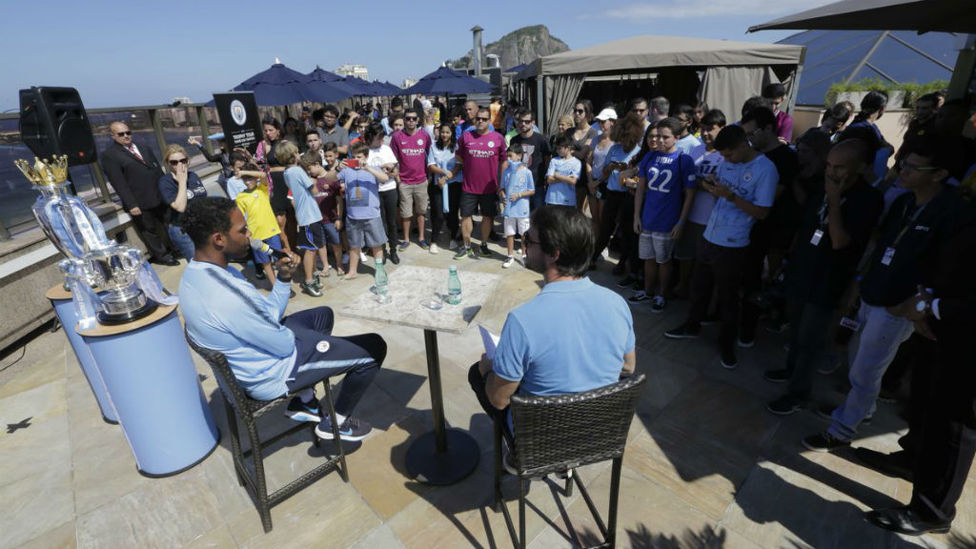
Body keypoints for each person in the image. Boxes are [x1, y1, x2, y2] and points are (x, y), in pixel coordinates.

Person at [803, 144, 971, 452]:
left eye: (912, 168)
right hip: (873, 291)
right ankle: (861, 410)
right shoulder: (904, 201)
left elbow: (949, 270)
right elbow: (881, 246)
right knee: (857, 361)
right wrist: (858, 284)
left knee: (867, 369)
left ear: (940, 175)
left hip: (899, 305)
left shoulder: (952, 214)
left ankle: (842, 430)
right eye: (903, 164)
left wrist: (919, 306)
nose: (902, 171)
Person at [179, 197, 384, 441]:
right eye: (242, 230)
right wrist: (307, 340)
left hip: (256, 358)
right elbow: (285, 344)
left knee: (322, 315)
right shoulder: (226, 295)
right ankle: (335, 423)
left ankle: (306, 401)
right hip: (273, 373)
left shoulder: (196, 275)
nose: (249, 235)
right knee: (372, 347)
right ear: (219, 239)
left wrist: (284, 278)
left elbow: (267, 314)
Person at [468, 206, 636, 446]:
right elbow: (628, 367)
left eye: (528, 239)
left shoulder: (523, 320)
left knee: (478, 373)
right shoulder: (617, 304)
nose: (523, 245)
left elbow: (498, 399)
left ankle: (518, 456)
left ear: (554, 253)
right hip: (598, 433)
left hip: (543, 440)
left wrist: (488, 371)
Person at [863, 206, 976, 536]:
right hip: (941, 323)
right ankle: (913, 459)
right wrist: (927, 300)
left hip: (967, 336)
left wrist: (933, 306)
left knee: (955, 426)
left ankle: (932, 512)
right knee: (927, 400)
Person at [764, 139, 883, 414]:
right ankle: (791, 371)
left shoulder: (868, 200)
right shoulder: (821, 188)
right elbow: (806, 229)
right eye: (829, 165)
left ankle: (799, 393)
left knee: (810, 340)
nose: (833, 172)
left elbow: (840, 241)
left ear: (862, 167)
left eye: (841, 167)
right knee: (794, 330)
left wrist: (833, 200)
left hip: (828, 280)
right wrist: (788, 261)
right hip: (800, 271)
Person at [664, 125, 778, 370]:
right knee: (699, 287)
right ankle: (692, 326)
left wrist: (731, 197)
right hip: (710, 234)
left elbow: (763, 212)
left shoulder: (765, 170)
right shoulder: (727, 163)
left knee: (728, 299)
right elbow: (721, 196)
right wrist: (714, 189)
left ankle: (726, 344)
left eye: (728, 155)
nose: (725, 160)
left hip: (734, 243)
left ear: (742, 145)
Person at [739, 106, 800, 343]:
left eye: (752, 134)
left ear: (768, 128)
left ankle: (748, 331)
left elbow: (767, 199)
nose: (750, 140)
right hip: (746, 228)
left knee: (756, 283)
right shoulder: (754, 155)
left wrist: (737, 198)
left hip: (770, 233)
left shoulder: (785, 158)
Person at [630, 118, 697, 312]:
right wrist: (636, 216)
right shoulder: (650, 157)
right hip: (647, 218)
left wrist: (681, 222)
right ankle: (648, 291)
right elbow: (641, 189)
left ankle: (662, 294)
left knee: (664, 260)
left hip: (667, 221)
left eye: (665, 137)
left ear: (677, 137)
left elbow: (690, 194)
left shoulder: (684, 160)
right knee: (648, 258)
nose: (659, 140)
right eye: (657, 136)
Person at [100, 121, 178, 266]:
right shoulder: (110, 155)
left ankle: (175, 248)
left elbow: (157, 170)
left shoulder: (143, 147)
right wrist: (131, 204)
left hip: (159, 195)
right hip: (139, 201)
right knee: (149, 231)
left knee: (169, 223)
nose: (126, 136)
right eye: (121, 134)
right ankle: (163, 256)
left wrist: (167, 189)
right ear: (113, 136)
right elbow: (118, 183)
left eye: (128, 133)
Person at [674, 109, 726, 298]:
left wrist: (699, 182)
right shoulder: (695, 149)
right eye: (702, 129)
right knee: (686, 255)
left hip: (713, 217)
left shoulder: (726, 154)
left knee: (706, 261)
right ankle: (683, 287)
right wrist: (703, 183)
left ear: (722, 128)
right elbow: (685, 179)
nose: (705, 133)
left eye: (710, 129)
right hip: (691, 213)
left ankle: (702, 295)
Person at [323, 142, 390, 279]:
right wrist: (337, 168)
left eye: (359, 156)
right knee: (354, 245)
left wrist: (368, 169)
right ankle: (352, 271)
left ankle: (379, 270)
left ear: (366, 157)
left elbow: (385, 178)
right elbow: (327, 178)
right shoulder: (346, 170)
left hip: (372, 215)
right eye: (353, 157)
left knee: (377, 245)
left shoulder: (374, 168)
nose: (356, 159)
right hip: (353, 216)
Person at [591, 113, 645, 280]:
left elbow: (639, 178)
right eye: (620, 139)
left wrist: (627, 170)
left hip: (629, 196)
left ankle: (622, 262)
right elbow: (604, 173)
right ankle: (593, 257)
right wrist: (613, 167)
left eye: (625, 139)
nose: (622, 143)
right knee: (605, 227)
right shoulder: (614, 148)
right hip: (612, 193)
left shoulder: (639, 152)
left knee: (627, 232)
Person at [455, 106, 507, 259]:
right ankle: (467, 246)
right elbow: (459, 156)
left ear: (489, 121)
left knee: (488, 217)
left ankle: (483, 244)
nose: (481, 121)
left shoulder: (498, 138)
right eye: (478, 118)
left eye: (484, 119)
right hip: (468, 186)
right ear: (474, 119)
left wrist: (501, 183)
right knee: (465, 216)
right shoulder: (466, 137)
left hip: (490, 188)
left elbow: (504, 161)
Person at [277, 141, 328, 297]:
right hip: (309, 216)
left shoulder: (287, 172)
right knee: (311, 251)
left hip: (307, 215)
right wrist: (315, 178)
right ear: (293, 154)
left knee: (312, 248)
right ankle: (308, 280)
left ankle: (313, 275)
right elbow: (314, 189)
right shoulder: (298, 171)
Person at [391, 108, 433, 251]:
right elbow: (393, 159)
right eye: (408, 118)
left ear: (418, 120)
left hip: (421, 180)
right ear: (404, 119)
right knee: (406, 213)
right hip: (404, 181)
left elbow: (430, 155)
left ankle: (421, 238)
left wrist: (429, 176)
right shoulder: (397, 137)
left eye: (413, 118)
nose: (411, 121)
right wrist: (398, 179)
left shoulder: (425, 135)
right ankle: (406, 239)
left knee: (421, 211)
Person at [157, 144, 208, 261]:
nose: (179, 165)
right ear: (168, 163)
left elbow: (203, 199)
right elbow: (180, 207)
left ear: (188, 160)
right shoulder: (165, 182)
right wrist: (182, 182)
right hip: (182, 230)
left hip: (201, 226)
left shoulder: (193, 176)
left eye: (183, 161)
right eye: (174, 162)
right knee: (198, 263)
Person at [234, 163, 282, 284]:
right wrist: (245, 231)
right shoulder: (240, 196)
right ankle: (275, 286)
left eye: (250, 178)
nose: (247, 181)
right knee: (265, 262)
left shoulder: (262, 189)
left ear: (256, 178)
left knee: (279, 259)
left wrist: (244, 172)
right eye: (245, 179)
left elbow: (263, 174)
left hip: (272, 231)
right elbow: (240, 216)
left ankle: (283, 283)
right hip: (256, 236)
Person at [301, 151, 345, 278]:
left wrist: (338, 217)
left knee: (336, 243)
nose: (309, 172)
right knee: (321, 245)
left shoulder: (331, 178)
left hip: (331, 219)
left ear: (317, 164)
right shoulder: (310, 181)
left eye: (309, 168)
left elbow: (339, 200)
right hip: (316, 219)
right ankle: (326, 266)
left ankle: (339, 264)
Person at [363, 123, 401, 264]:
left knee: (391, 222)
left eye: (382, 137)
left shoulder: (386, 149)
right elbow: (363, 170)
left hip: (389, 189)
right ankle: (382, 251)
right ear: (370, 137)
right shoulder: (365, 150)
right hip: (373, 192)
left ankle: (393, 250)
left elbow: (395, 171)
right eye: (378, 138)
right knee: (380, 223)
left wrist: (388, 169)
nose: (381, 141)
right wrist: (382, 168)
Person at [255, 118, 292, 255]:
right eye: (266, 130)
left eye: (271, 130)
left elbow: (293, 162)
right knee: (279, 221)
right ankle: (287, 252)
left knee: (292, 220)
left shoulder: (285, 144)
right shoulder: (263, 145)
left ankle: (294, 247)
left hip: (288, 181)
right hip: (274, 184)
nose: (268, 133)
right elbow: (259, 165)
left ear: (278, 130)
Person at [427, 122, 463, 252]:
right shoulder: (433, 147)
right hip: (438, 185)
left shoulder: (457, 147)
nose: (444, 135)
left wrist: (448, 176)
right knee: (438, 214)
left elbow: (459, 165)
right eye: (442, 132)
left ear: (452, 133)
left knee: (453, 213)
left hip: (453, 184)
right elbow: (431, 165)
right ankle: (434, 241)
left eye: (447, 132)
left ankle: (453, 237)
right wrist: (442, 173)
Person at [498, 143, 535, 268]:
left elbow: (532, 190)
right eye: (507, 156)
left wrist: (519, 195)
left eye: (510, 156)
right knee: (509, 233)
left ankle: (524, 255)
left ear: (519, 156)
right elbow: (502, 188)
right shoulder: (506, 172)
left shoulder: (527, 172)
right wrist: (503, 196)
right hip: (509, 210)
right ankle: (510, 256)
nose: (508, 159)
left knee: (524, 233)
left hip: (522, 209)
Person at [509, 108, 551, 212]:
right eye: (520, 121)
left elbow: (548, 159)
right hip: (519, 184)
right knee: (522, 213)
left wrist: (546, 178)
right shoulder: (514, 140)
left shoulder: (541, 139)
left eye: (527, 121)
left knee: (538, 214)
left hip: (537, 183)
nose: (523, 124)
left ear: (533, 123)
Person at [586, 107, 617, 230]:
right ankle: (594, 245)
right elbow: (588, 161)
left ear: (612, 122)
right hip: (593, 182)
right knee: (594, 218)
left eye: (603, 121)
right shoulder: (595, 139)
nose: (600, 124)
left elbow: (612, 167)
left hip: (606, 184)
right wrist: (590, 182)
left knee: (603, 218)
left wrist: (596, 183)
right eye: (599, 121)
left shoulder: (617, 142)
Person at [570, 100, 598, 211]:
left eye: (580, 111)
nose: (576, 113)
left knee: (583, 211)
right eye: (575, 110)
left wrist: (571, 151)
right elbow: (562, 150)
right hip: (570, 174)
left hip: (585, 175)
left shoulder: (593, 132)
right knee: (572, 210)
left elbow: (582, 155)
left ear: (587, 113)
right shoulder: (569, 131)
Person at [544, 135, 581, 208]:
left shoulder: (576, 162)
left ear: (568, 148)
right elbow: (549, 180)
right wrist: (567, 178)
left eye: (559, 148)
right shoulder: (554, 160)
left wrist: (557, 175)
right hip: (552, 200)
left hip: (568, 201)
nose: (557, 151)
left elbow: (573, 181)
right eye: (556, 149)